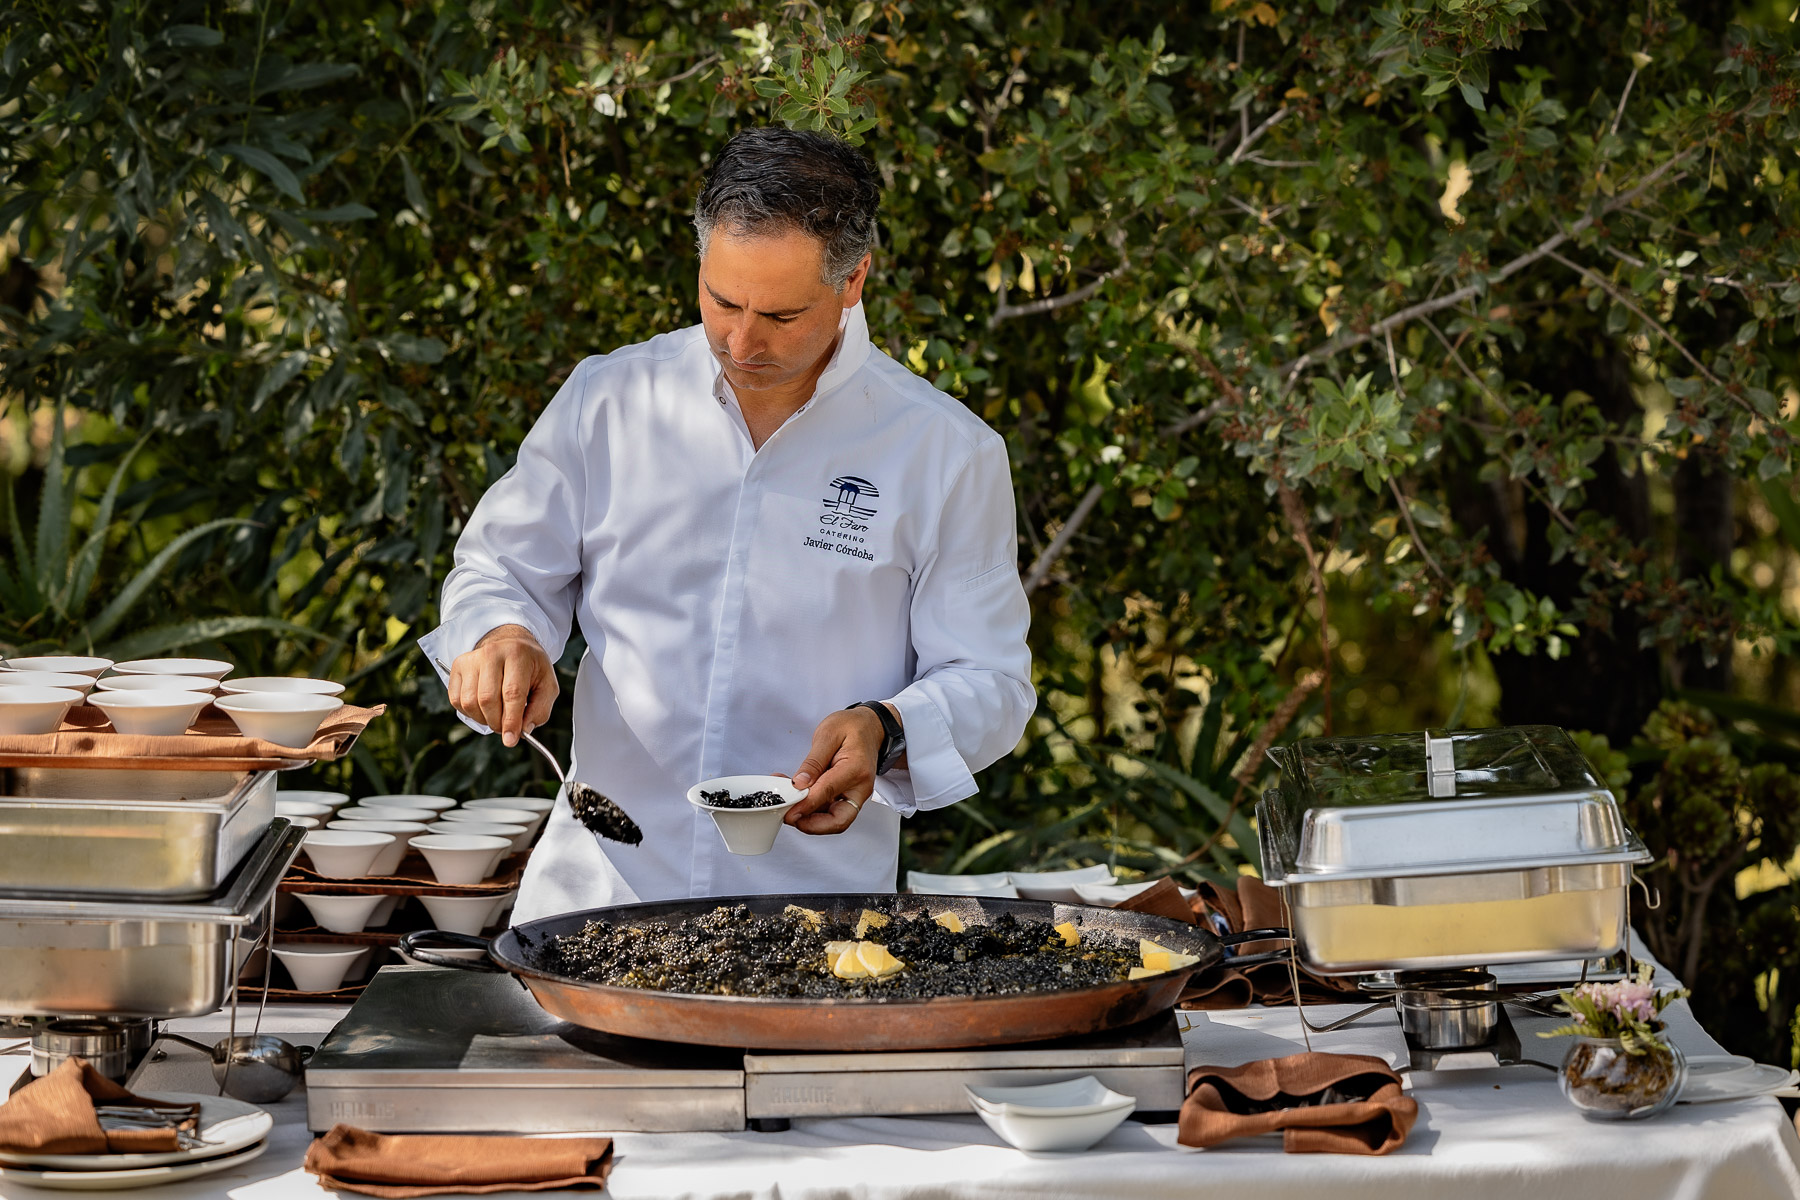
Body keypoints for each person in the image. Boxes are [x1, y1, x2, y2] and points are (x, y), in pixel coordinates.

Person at [419, 127, 1033, 923]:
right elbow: (499, 569)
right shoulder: (610, 400)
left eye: (781, 314)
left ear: (854, 280)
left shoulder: (945, 451)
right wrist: (502, 634)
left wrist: (887, 726)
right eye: (722, 301)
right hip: (597, 895)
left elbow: (990, 680)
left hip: (817, 915)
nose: (743, 343)